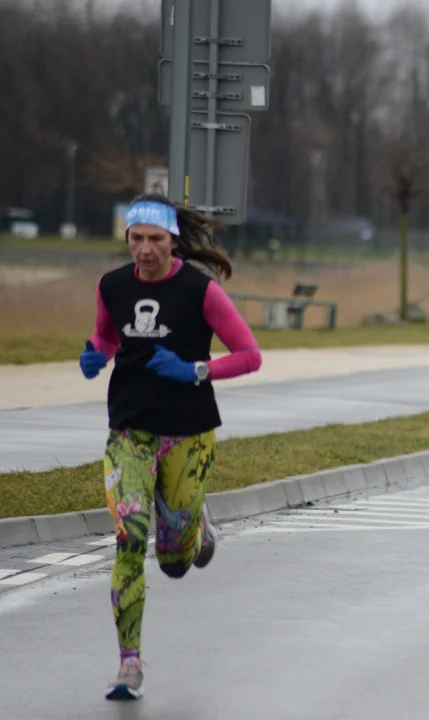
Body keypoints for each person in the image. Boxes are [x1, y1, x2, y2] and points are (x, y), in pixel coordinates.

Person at [78, 193, 263, 700]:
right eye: (135, 239)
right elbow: (108, 337)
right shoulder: (112, 286)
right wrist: (96, 354)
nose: (144, 250)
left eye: (154, 239)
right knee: (130, 537)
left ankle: (193, 524)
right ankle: (129, 663)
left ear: (172, 240)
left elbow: (250, 355)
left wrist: (194, 370)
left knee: (176, 562)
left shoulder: (199, 291)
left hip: (189, 431)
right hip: (130, 431)